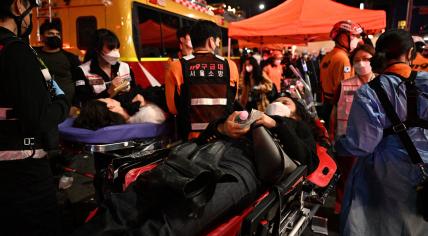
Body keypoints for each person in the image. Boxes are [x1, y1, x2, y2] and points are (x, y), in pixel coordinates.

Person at [335, 29, 428, 235]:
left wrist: (338, 144)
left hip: (385, 176)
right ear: (411, 53)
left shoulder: (370, 92)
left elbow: (362, 144)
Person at [0, 0, 70, 235]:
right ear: (19, 6)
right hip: (23, 172)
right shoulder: (16, 51)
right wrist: (62, 103)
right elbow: (37, 118)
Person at [165, 20, 239, 140]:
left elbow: (173, 108)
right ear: (211, 41)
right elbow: (232, 99)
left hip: (191, 141)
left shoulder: (177, 66)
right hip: (222, 138)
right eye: (218, 40)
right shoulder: (230, 65)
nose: (218, 43)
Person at [329, 44, 375, 214]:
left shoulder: (381, 84)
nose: (361, 63)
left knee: (370, 181)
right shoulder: (344, 85)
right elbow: (334, 111)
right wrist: (332, 136)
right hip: (347, 142)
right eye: (357, 60)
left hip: (374, 144)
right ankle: (341, 211)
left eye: (366, 59)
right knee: (345, 180)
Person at [73, 28, 143, 112]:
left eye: (117, 48)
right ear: (97, 50)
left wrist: (128, 90)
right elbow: (86, 103)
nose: (115, 52)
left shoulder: (125, 67)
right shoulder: (82, 71)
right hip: (101, 116)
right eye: (111, 48)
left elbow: (134, 90)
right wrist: (109, 91)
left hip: (126, 110)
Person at [319, 20, 362, 128]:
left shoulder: (329, 55)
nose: (358, 39)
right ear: (343, 37)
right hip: (338, 108)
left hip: (327, 104)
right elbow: (346, 91)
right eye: (354, 35)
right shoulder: (343, 58)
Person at [35, 19, 81, 104]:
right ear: (41, 37)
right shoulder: (34, 55)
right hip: (41, 103)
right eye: (50, 34)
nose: (55, 36)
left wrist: (76, 104)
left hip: (66, 104)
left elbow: (78, 82)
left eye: (58, 34)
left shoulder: (71, 58)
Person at [73, 97, 167, 130]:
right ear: (111, 107)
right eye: (105, 98)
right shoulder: (146, 113)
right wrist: (145, 103)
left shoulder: (133, 118)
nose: (108, 97)